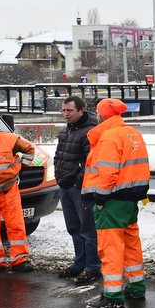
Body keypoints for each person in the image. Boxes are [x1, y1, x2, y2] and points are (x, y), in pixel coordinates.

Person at [81, 98, 150, 308]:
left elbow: (108, 173)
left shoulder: (108, 137)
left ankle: (112, 296)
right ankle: (136, 288)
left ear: (102, 115)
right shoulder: (133, 134)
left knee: (110, 249)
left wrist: (100, 199)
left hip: (111, 201)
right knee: (131, 245)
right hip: (130, 200)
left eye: (97, 113)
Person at [54, 96, 101, 284]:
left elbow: (91, 162)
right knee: (74, 228)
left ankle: (93, 267)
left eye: (70, 110)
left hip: (80, 189)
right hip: (66, 187)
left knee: (88, 230)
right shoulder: (65, 132)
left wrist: (77, 180)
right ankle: (79, 263)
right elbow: (59, 157)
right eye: (64, 110)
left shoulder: (89, 132)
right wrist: (59, 177)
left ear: (81, 110)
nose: (66, 114)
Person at [0, 112, 36, 275]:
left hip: (8, 190)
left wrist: (21, 167)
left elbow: (29, 149)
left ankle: (19, 259)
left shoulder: (9, 139)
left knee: (16, 225)